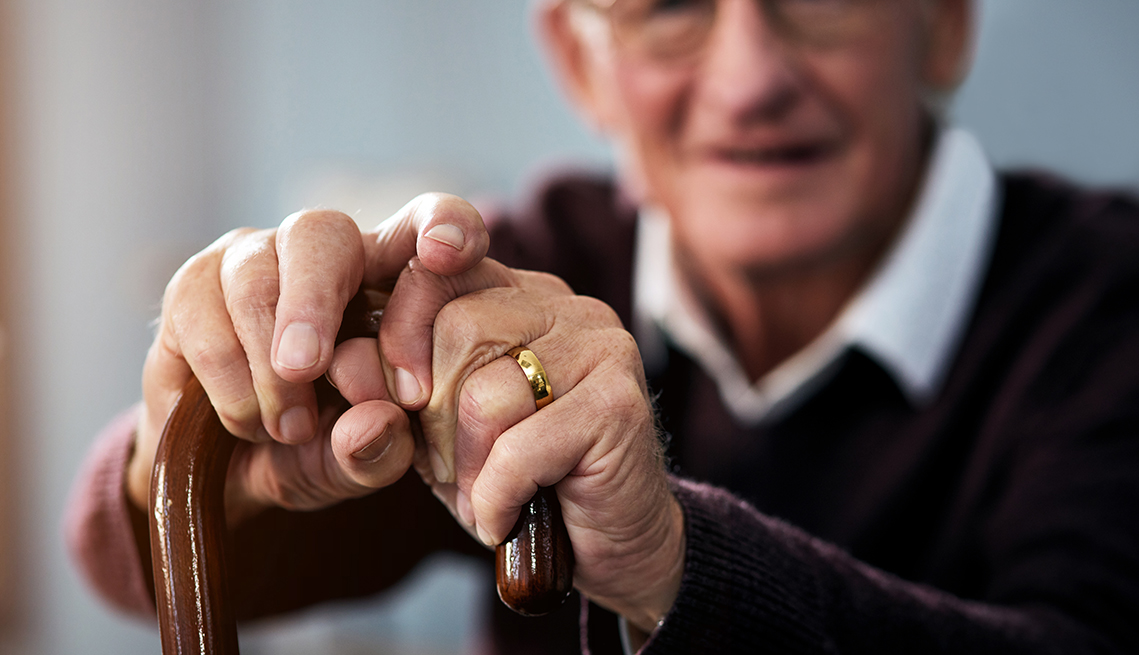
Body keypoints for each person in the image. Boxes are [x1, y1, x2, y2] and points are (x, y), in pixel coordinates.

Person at [66, 0, 1139, 652]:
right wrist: (210, 450)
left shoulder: (1105, 303)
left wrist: (668, 561)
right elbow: (129, 567)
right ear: (582, 65)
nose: (749, 79)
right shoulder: (525, 270)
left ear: (942, 23)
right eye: (668, 5)